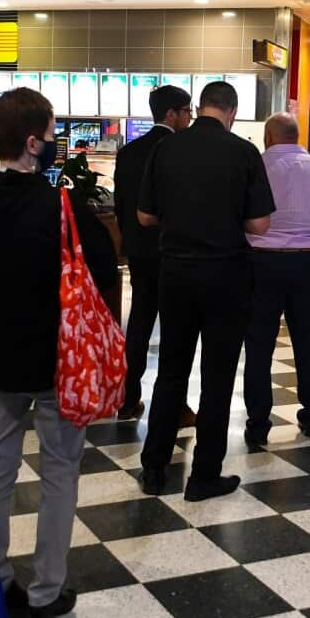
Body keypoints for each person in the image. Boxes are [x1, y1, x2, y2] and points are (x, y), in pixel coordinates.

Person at [0, 88, 117, 618]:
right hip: (58, 361)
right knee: (59, 472)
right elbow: (102, 271)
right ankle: (47, 589)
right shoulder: (59, 206)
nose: (53, 144)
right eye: (49, 135)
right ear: (31, 142)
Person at [137, 81, 274, 501]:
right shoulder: (244, 153)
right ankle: (203, 478)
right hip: (226, 277)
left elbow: (144, 216)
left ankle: (155, 469)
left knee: (172, 372)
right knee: (217, 378)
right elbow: (259, 225)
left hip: (175, 274)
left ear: (197, 108)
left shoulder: (167, 148)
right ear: (231, 112)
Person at [243, 114, 310, 445]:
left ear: (268, 137)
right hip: (306, 265)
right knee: (309, 342)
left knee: (259, 345)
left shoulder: (253, 167)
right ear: (297, 136)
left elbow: (239, 219)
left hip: (260, 265)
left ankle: (258, 422)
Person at [112, 85, 193, 422]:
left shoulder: (128, 153)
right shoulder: (182, 149)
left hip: (140, 254)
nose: (190, 117)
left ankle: (128, 400)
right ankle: (175, 407)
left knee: (140, 327)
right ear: (171, 113)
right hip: (174, 254)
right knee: (178, 331)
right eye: (187, 111)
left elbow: (121, 207)